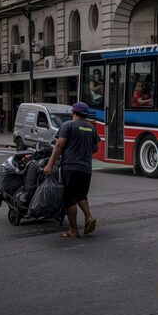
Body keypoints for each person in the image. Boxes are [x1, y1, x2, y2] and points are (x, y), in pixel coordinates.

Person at [44, 102, 99, 239]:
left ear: (73, 112)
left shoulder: (68, 125)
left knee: (69, 199)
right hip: (86, 168)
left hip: (70, 167)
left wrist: (49, 165)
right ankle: (89, 217)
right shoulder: (91, 128)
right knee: (81, 195)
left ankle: (73, 230)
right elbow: (95, 148)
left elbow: (59, 146)